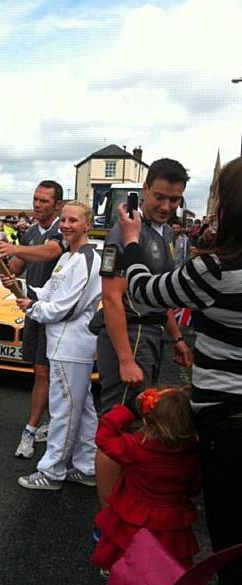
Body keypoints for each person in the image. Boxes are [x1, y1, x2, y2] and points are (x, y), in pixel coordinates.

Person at [118, 155, 242, 585]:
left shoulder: (216, 269)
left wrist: (131, 242)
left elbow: (145, 291)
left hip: (226, 419)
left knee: (230, 539)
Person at [95, 158, 193, 509]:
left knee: (138, 422)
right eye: (161, 197)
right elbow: (111, 298)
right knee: (116, 427)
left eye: (175, 199)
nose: (167, 206)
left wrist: (177, 337)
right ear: (146, 189)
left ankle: (126, 509)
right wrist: (124, 358)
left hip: (152, 336)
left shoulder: (166, 233)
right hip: (129, 336)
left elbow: (161, 294)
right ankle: (108, 525)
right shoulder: (123, 231)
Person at [15, 201, 101, 489]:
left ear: (87, 224)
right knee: (84, 407)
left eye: (73, 220)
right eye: (63, 219)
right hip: (60, 343)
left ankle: (52, 472)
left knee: (64, 409)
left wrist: (32, 308)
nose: (65, 225)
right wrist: (19, 287)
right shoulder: (67, 257)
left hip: (72, 346)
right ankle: (87, 466)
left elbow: (68, 308)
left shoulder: (89, 258)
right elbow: (48, 292)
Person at [0, 181, 65, 458]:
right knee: (39, 372)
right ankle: (51, 423)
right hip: (33, 311)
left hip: (57, 313)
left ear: (57, 205)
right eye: (35, 199)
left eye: (44, 201)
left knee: (48, 373)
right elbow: (16, 267)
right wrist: (2, 266)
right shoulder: (31, 231)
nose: (37, 204)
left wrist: (11, 249)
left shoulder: (63, 229)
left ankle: (30, 432)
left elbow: (50, 252)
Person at [91, 388, 200, 574]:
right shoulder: (193, 452)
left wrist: (128, 409)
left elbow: (104, 436)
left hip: (134, 516)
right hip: (171, 521)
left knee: (126, 556)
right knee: (167, 565)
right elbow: (194, 488)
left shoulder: (135, 447)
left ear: (146, 419)